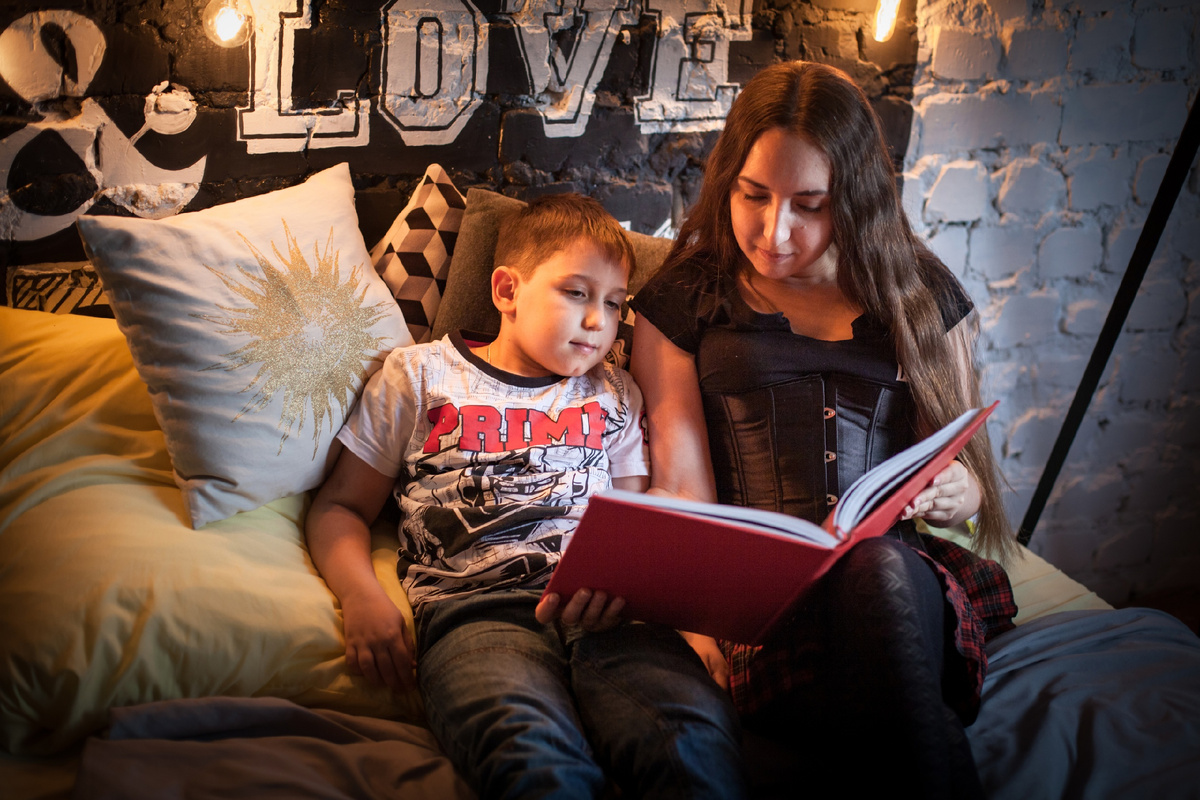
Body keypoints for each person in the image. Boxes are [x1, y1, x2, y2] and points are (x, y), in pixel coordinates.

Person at [629, 61, 1018, 798]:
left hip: (899, 587)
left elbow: (967, 484)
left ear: (856, 200)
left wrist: (956, 493)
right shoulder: (686, 296)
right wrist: (700, 631)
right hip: (762, 605)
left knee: (878, 572)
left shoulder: (920, 295)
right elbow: (679, 485)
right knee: (896, 705)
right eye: (753, 195)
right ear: (727, 182)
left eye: (809, 205)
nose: (773, 231)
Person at [306, 193, 747, 800]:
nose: (599, 322)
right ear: (507, 290)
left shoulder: (617, 393)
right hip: (478, 614)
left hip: (613, 619)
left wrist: (687, 626)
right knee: (530, 756)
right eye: (577, 293)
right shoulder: (419, 376)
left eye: (614, 304)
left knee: (690, 743)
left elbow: (635, 526)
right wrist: (361, 596)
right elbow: (341, 507)